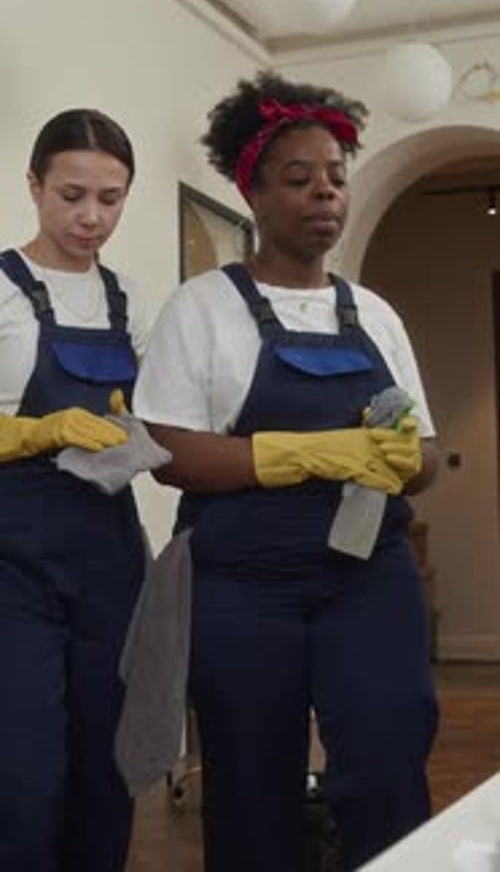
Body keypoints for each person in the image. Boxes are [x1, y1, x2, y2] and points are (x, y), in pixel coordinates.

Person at [134, 71, 439, 872]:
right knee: (250, 781)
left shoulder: (375, 315)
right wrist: (297, 454)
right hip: (243, 584)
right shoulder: (202, 308)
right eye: (300, 179)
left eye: (336, 177)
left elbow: (425, 456)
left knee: (388, 754)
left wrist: (404, 458)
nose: (325, 193)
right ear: (254, 195)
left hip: (367, 576)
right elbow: (168, 451)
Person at [0, 109, 150, 872]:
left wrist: (143, 434)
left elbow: (164, 414)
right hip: (12, 564)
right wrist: (36, 431)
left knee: (105, 769)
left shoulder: (128, 300)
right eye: (71, 196)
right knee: (23, 774)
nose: (91, 217)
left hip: (109, 558)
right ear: (33, 185)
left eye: (110, 199)